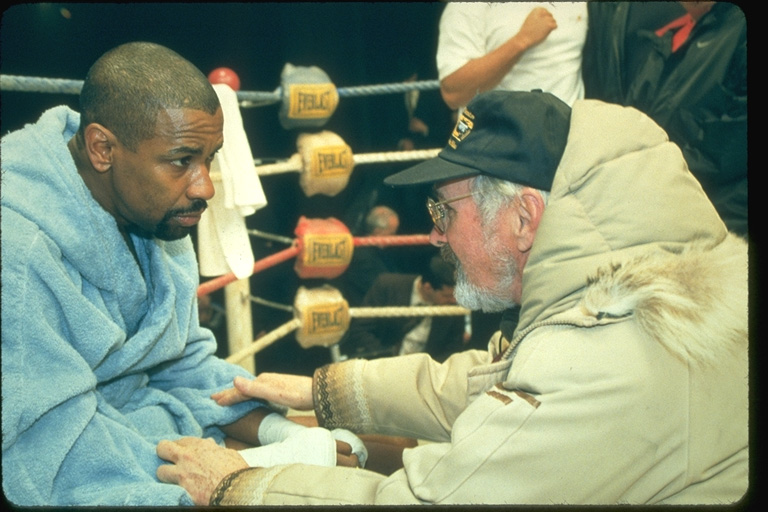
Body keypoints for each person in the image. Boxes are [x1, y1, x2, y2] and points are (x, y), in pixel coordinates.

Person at [155, 90, 748, 505]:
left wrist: (237, 486)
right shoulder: (632, 288)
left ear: (523, 219)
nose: (435, 234)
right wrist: (323, 391)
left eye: (445, 210)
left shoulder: (612, 357)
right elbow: (496, 383)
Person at [0, 41, 363, 507]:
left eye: (209, 157)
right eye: (181, 160)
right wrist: (248, 473)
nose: (206, 186)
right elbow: (44, 458)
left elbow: (179, 360)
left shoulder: (153, 213)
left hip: (136, 440)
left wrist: (283, 432)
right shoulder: (19, 254)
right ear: (102, 148)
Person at [582, 1, 747, 237]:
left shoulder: (736, 32)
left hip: (714, 221)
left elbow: (728, 151)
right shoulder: (676, 34)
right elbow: (636, 117)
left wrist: (644, 176)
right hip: (660, 205)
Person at [437, 2, 588, 111]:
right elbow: (454, 94)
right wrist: (522, 41)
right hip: (498, 143)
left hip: (570, 143)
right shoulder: (465, 6)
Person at [341, 254, 466, 362]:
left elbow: (453, 349)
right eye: (447, 296)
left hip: (426, 376)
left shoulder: (454, 307)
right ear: (428, 288)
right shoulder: (387, 286)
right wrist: (386, 360)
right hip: (382, 367)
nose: (454, 300)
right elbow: (360, 328)